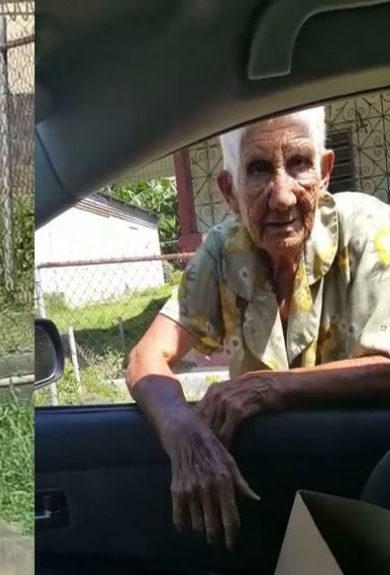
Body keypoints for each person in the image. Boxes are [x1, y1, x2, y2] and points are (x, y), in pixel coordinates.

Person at [127, 106, 390, 549]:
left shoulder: (370, 229)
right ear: (230, 191)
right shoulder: (223, 250)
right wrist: (183, 431)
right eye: (259, 169)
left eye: (299, 163)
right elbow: (146, 357)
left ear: (325, 172)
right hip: (267, 485)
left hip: (363, 479)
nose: (282, 196)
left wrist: (263, 386)